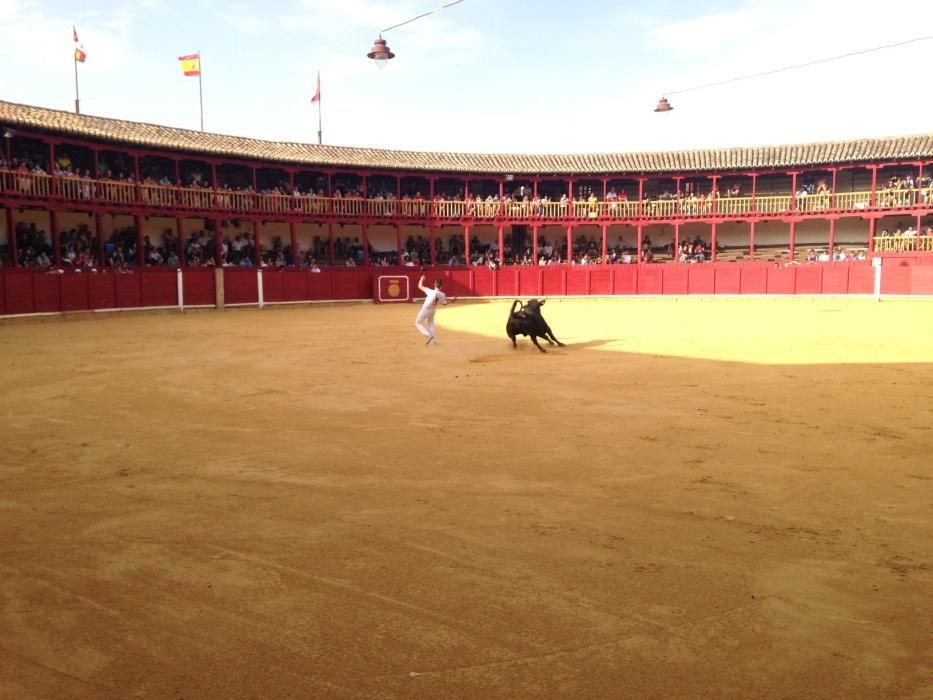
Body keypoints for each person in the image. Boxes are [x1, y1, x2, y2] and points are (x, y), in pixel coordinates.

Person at [415, 275, 452, 345]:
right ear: (441, 287)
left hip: (426, 309)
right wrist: (452, 301)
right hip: (433, 310)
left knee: (418, 323)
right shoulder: (443, 294)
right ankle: (434, 341)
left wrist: (421, 279)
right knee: (431, 324)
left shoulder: (430, 291)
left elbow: (420, 286)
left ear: (434, 284)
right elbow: (444, 303)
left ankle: (428, 335)